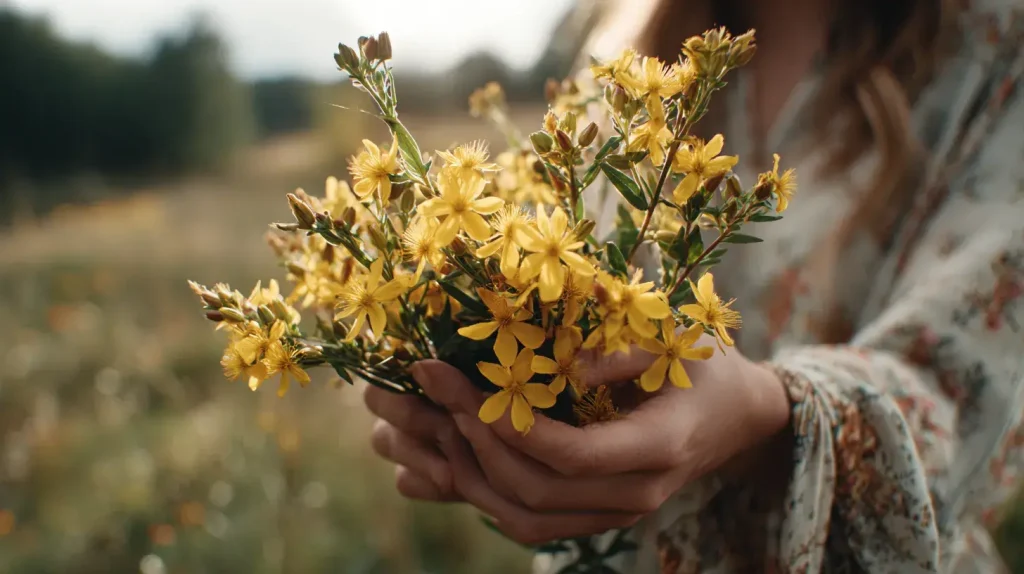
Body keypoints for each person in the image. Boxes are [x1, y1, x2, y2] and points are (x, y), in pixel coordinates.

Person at [364, 0, 1024, 571]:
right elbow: (563, 303)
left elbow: (973, 389)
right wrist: (478, 401)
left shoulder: (998, 48)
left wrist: (774, 414)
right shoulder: (631, 52)